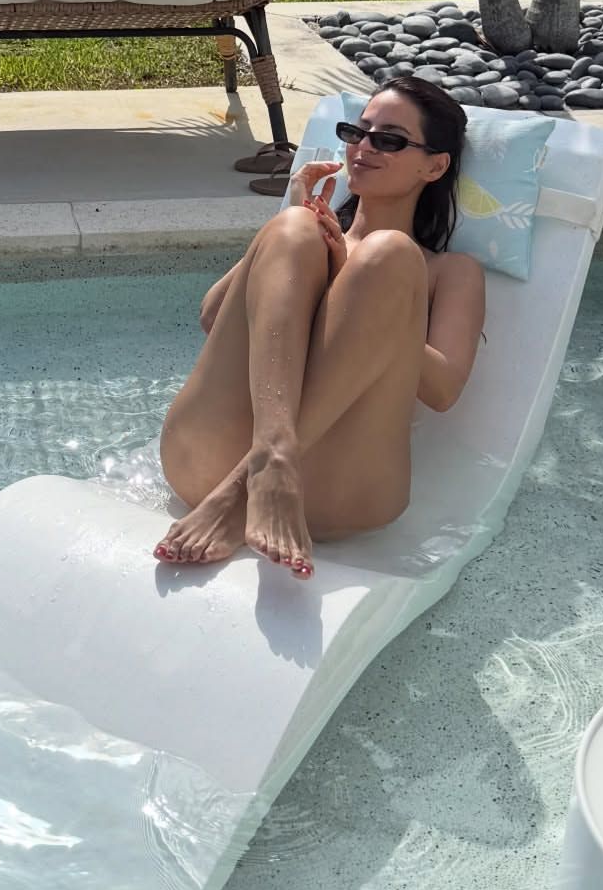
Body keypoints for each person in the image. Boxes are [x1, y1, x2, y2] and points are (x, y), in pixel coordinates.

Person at [153, 78, 486, 580]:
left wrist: (372, 293)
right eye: (357, 132)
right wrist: (288, 222)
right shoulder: (307, 235)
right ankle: (269, 461)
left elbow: (443, 390)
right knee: (294, 229)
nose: (364, 147)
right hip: (205, 459)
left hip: (339, 488)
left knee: (390, 255)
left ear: (435, 166)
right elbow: (212, 317)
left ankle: (250, 482)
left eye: (389, 140)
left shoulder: (447, 271)